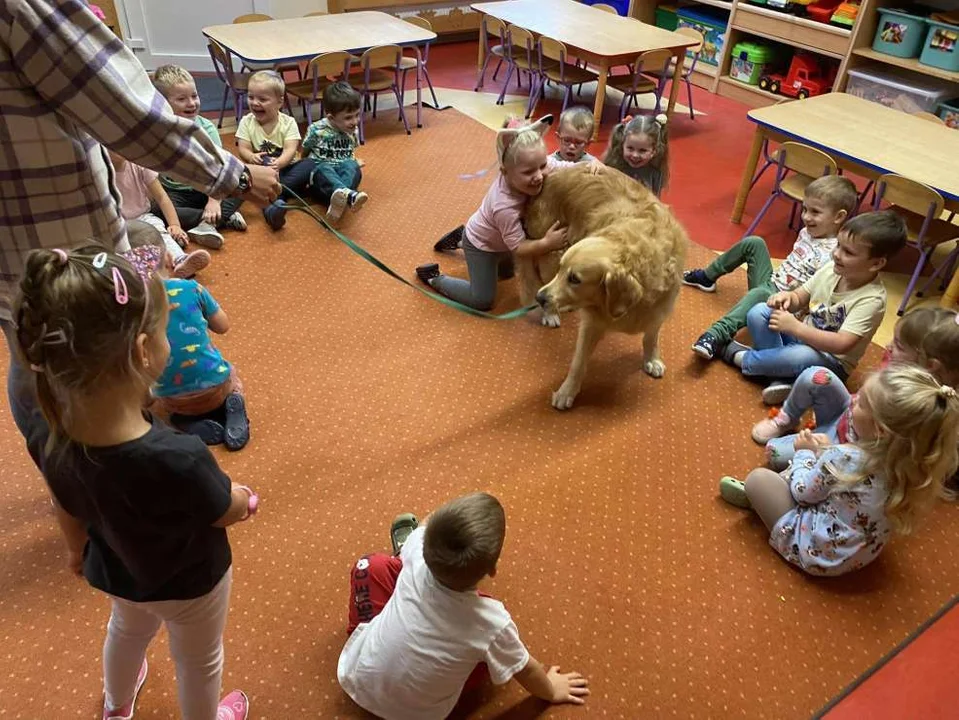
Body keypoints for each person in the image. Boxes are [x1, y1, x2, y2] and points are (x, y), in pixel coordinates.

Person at [0, 0, 278, 447]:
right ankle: (112, 465)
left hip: (19, 257)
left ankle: (69, 479)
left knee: (31, 354)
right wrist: (236, 175)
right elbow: (128, 111)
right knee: (93, 363)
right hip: (63, 244)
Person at [12, 245, 258, 720]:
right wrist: (244, 499)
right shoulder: (181, 456)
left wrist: (72, 550)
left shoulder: (47, 434)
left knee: (125, 633)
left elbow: (67, 505)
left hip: (115, 570)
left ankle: (117, 706)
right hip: (192, 582)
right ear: (145, 352)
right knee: (199, 661)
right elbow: (223, 508)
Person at [337, 492, 589, 718]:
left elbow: (426, 523)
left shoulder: (417, 548)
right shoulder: (492, 622)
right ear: (492, 570)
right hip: (417, 714)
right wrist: (551, 689)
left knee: (372, 565)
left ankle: (397, 560)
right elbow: (525, 668)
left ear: (425, 544)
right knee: (491, 650)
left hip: (358, 675)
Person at [719, 365, 959, 576]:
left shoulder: (843, 457)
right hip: (857, 556)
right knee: (817, 475)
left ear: (880, 430)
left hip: (813, 550)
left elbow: (803, 492)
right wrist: (828, 453)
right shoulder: (910, 466)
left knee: (759, 479)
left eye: (861, 403)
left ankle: (757, 502)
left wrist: (806, 452)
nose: (853, 401)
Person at [722, 211, 907, 405]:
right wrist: (786, 298)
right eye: (838, 245)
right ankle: (778, 377)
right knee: (759, 312)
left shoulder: (872, 300)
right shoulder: (832, 269)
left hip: (831, 362)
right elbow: (799, 297)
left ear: (876, 263)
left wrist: (796, 328)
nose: (836, 254)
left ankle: (737, 355)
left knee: (802, 355)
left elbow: (842, 344)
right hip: (799, 340)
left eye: (848, 252)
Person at [419, 115, 601, 311]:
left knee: (508, 274)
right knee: (482, 300)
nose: (539, 176)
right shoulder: (503, 205)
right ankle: (435, 278)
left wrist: (592, 165)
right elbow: (520, 247)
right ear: (505, 172)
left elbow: (562, 166)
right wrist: (547, 243)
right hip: (483, 245)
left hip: (502, 241)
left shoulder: (537, 164)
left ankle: (458, 240)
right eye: (529, 172)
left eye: (542, 167)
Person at [752, 307, 959, 480]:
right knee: (816, 376)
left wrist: (825, 453)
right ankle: (785, 419)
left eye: (898, 346)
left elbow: (876, 462)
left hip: (849, 446)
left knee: (775, 452)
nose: (887, 347)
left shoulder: (925, 411)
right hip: (847, 413)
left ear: (930, 365)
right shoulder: (896, 363)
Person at [684, 175, 858, 360]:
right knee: (754, 243)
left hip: (787, 306)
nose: (806, 217)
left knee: (760, 294)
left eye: (815, 212)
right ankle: (706, 277)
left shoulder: (836, 255)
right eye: (804, 209)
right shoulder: (807, 232)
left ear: (839, 217)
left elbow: (816, 297)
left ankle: (716, 335)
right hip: (773, 283)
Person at [152, 64, 248, 248]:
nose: (192, 103)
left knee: (241, 182)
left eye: (194, 96)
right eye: (182, 99)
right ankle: (216, 220)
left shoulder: (207, 129)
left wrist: (214, 201)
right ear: (163, 103)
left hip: (207, 188)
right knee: (156, 210)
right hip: (177, 192)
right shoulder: (159, 131)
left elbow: (220, 169)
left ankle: (212, 218)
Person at [109, 150, 212, 279]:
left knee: (159, 232)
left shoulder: (139, 164)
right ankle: (143, 272)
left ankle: (180, 259)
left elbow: (162, 197)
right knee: (123, 249)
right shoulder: (101, 171)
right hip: (116, 223)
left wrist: (175, 225)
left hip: (143, 217)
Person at [235, 70, 313, 231]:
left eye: (262, 99)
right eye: (251, 97)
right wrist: (251, 156)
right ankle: (273, 208)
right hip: (260, 172)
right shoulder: (246, 122)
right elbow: (243, 148)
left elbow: (291, 149)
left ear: (279, 102)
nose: (255, 103)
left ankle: (275, 195)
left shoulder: (288, 122)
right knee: (250, 178)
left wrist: (279, 163)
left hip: (285, 169)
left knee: (310, 164)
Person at [301, 81, 369, 221]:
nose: (355, 121)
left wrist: (354, 162)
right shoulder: (317, 130)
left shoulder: (352, 130)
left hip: (342, 172)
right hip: (321, 180)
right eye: (348, 117)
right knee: (324, 167)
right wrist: (302, 166)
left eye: (357, 115)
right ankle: (348, 195)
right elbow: (306, 149)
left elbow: (350, 151)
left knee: (351, 165)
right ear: (331, 117)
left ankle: (342, 197)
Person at [602, 114, 669, 196]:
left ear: (654, 151)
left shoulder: (656, 173)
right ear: (622, 145)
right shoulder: (613, 167)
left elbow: (655, 201)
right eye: (630, 148)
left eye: (642, 150)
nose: (635, 155)